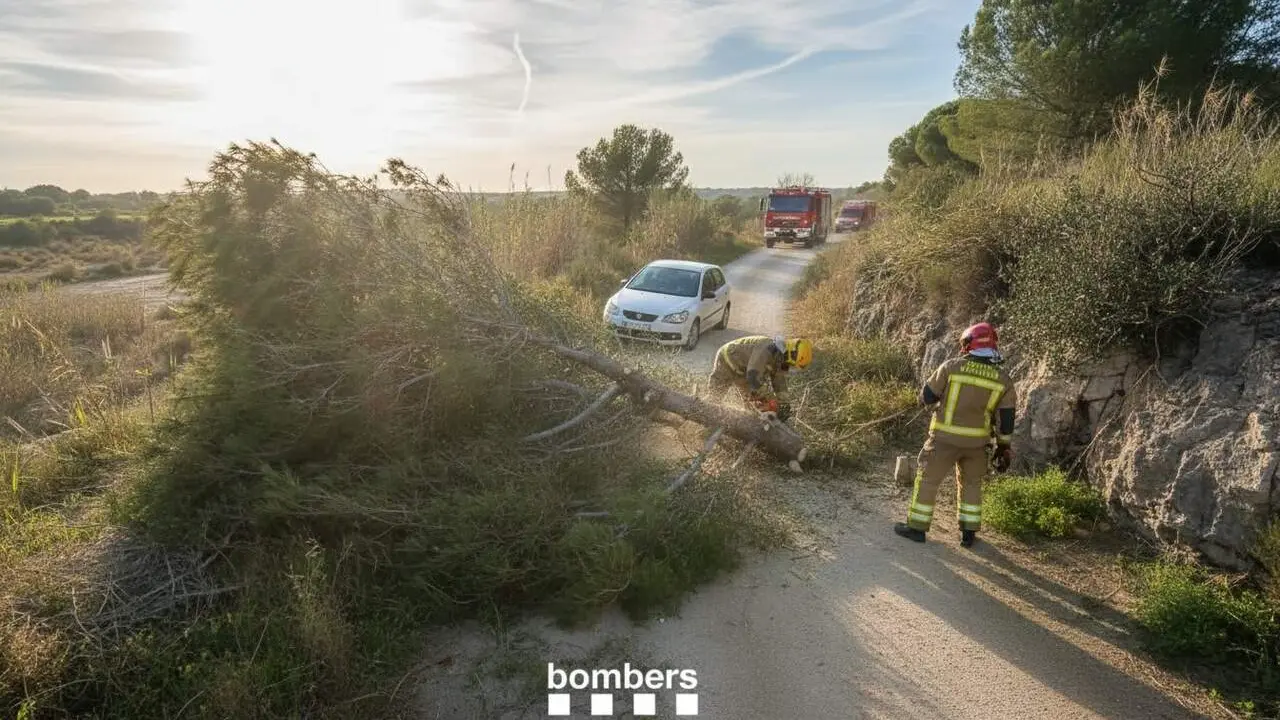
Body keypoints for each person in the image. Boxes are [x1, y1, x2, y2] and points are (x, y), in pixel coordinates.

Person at [894, 322, 1017, 548]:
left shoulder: (951, 367)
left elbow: (928, 396)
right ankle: (968, 534)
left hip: (943, 440)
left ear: (968, 344)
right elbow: (1007, 420)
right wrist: (1003, 447)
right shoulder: (1003, 380)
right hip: (977, 444)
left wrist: (927, 400)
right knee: (971, 484)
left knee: (929, 480)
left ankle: (917, 528)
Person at [707, 335, 812, 421]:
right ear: (790, 354)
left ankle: (745, 430)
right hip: (727, 361)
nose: (789, 367)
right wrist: (771, 400)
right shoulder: (766, 349)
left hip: (743, 372)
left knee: (752, 408)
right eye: (791, 364)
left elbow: (779, 382)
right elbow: (753, 377)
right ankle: (703, 422)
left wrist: (784, 404)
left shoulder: (781, 359)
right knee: (714, 398)